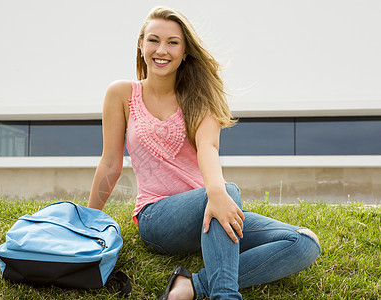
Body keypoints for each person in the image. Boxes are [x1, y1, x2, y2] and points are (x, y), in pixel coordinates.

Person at [88, 6, 321, 300]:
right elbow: (110, 163)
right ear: (141, 44)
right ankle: (225, 295)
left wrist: (216, 193)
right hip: (157, 218)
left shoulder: (200, 98)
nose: (162, 50)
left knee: (303, 242)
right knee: (226, 191)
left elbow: (208, 149)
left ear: (185, 52)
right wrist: (87, 222)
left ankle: (191, 286)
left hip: (210, 212)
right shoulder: (121, 94)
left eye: (173, 42)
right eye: (153, 40)